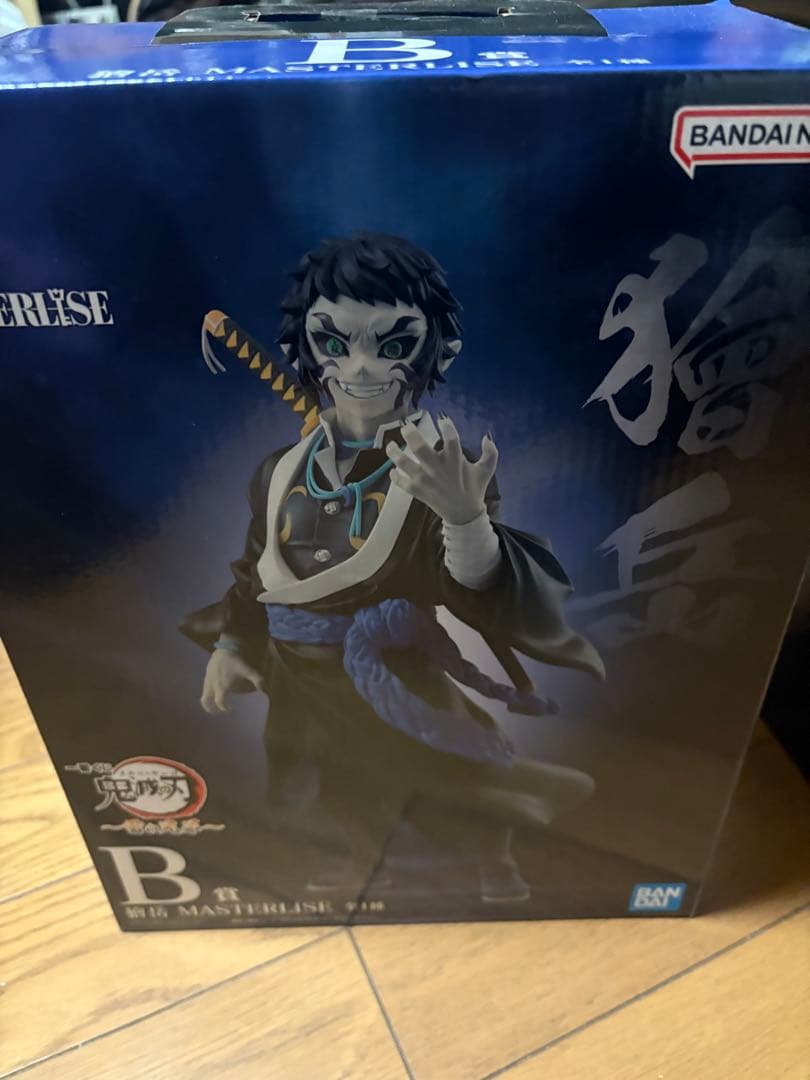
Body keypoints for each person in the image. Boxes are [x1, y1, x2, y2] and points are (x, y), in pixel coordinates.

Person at [181, 232, 604, 904]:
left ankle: (492, 858)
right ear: (301, 348)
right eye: (333, 341)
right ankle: (355, 864)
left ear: (441, 351)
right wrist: (233, 644)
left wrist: (465, 519)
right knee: (325, 782)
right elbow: (253, 572)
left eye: (393, 344)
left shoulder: (440, 468)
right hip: (298, 673)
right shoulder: (279, 471)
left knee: (448, 772)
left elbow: (474, 591)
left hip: (389, 667)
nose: (360, 367)